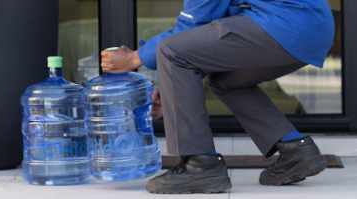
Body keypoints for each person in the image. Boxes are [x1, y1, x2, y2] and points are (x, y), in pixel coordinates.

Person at [100, 0, 335, 194]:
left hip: (285, 23)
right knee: (225, 81)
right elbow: (205, 43)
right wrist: (171, 93)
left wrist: (134, 59)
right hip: (309, 27)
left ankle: (201, 166)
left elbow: (193, 26)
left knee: (169, 50)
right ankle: (295, 151)